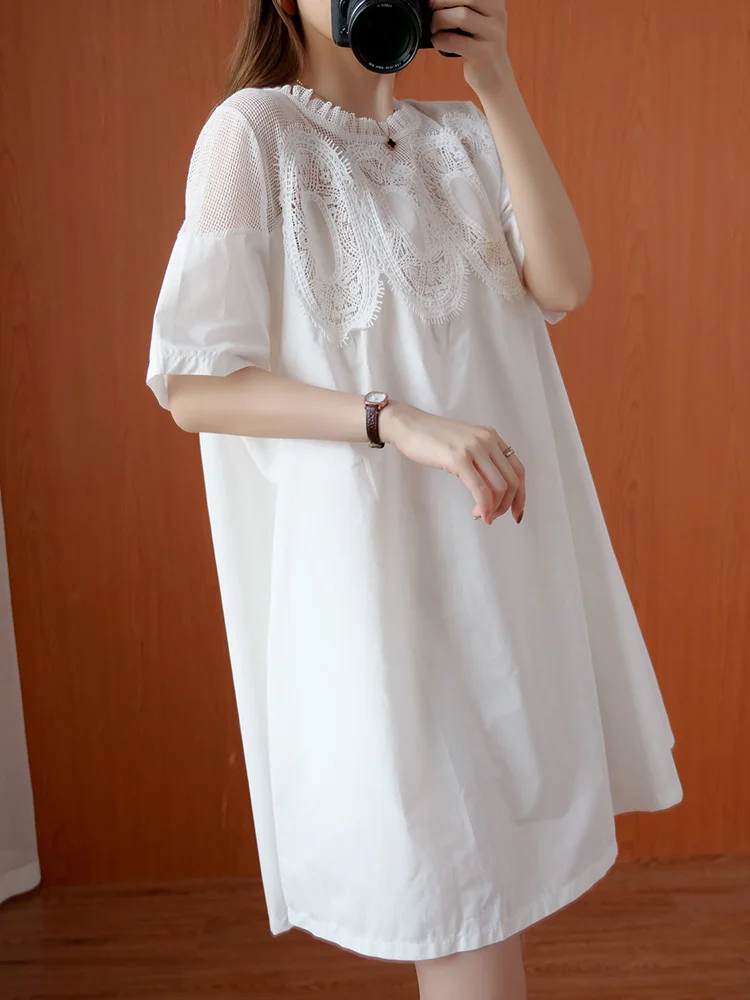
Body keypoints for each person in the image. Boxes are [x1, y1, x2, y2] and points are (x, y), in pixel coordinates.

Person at [145, 0, 683, 996]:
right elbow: (195, 385)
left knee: (490, 905)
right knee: (459, 896)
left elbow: (563, 283)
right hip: (382, 595)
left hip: (502, 578)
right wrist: (393, 420)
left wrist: (496, 82)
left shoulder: (466, 134)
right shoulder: (253, 135)